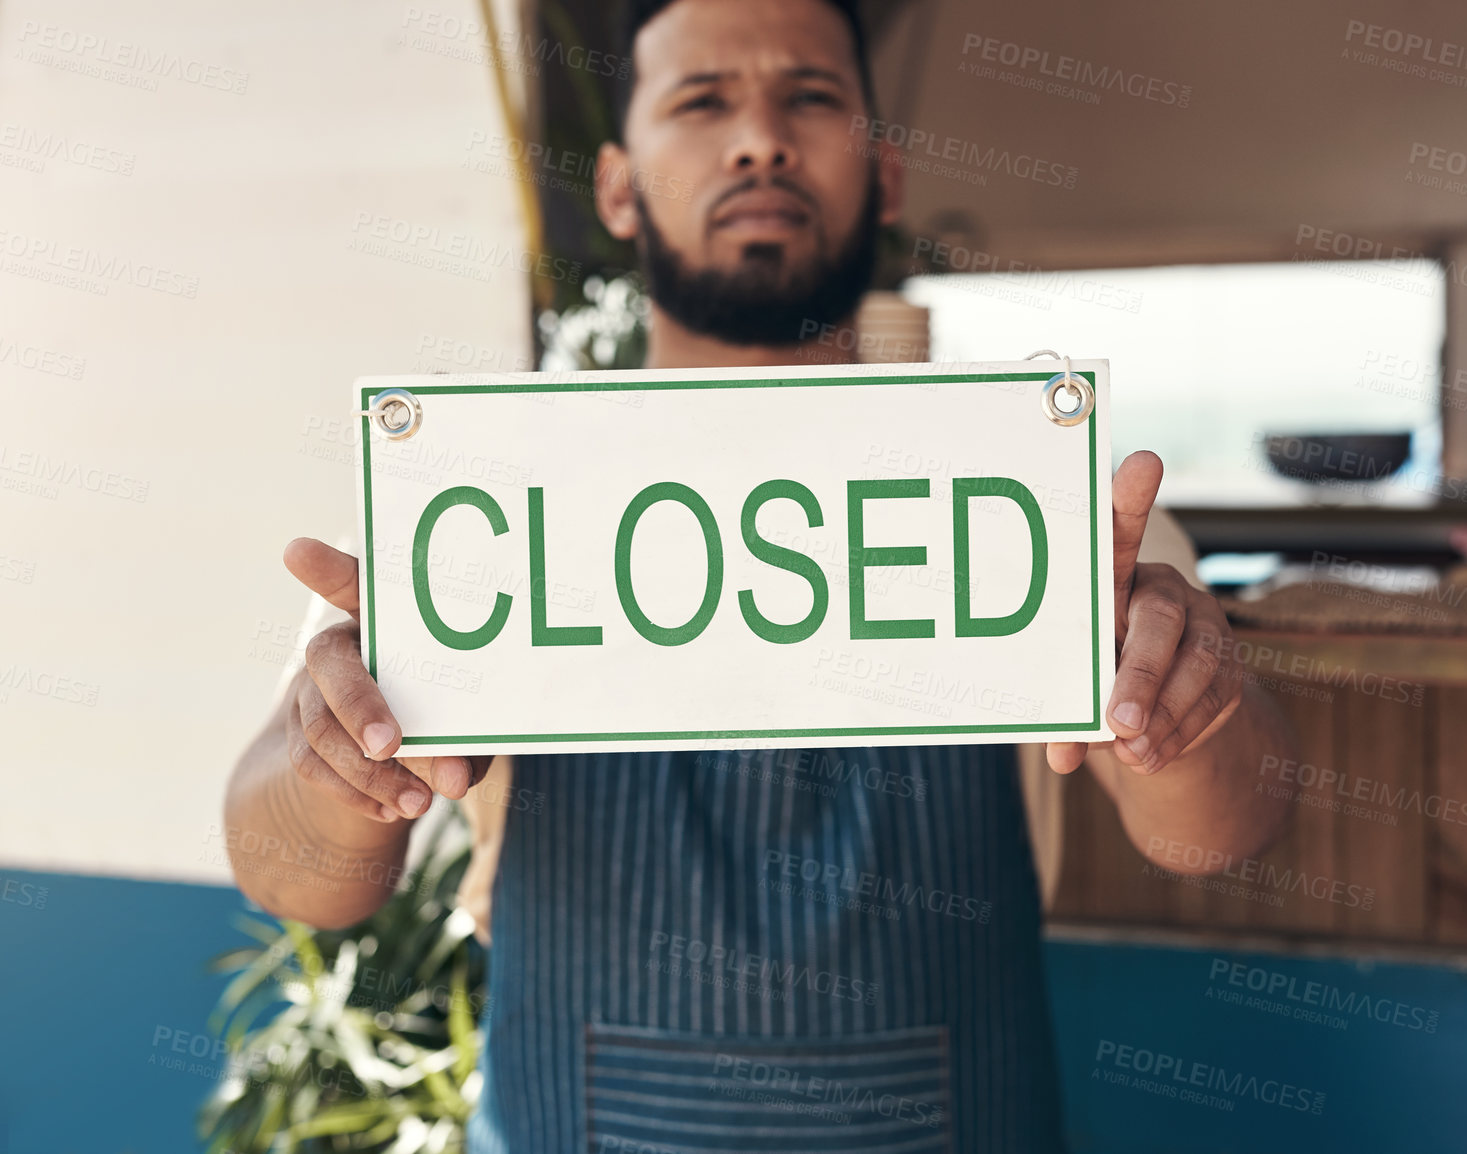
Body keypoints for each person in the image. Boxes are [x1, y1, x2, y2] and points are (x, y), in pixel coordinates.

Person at [223, 0, 1296, 1148]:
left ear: (883, 177)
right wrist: (333, 768)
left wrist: (1183, 712)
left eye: (810, 97)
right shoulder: (473, 482)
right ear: (621, 187)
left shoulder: (1043, 476)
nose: (759, 140)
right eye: (701, 101)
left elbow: (1218, 831)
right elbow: (295, 877)